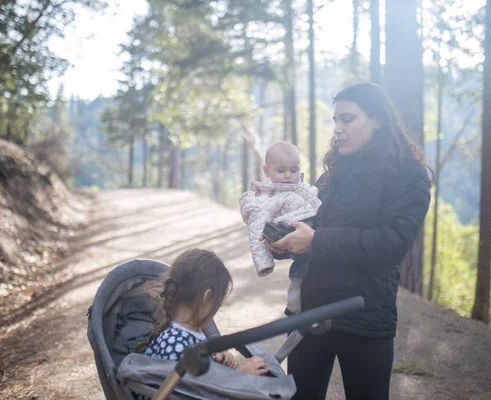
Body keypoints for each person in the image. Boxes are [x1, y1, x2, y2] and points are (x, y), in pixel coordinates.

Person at [268, 83, 432, 399]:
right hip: (311, 314)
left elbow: (392, 242)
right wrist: (282, 241)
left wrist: (316, 241)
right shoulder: (334, 170)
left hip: (365, 318)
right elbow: (309, 225)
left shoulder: (410, 176)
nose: (338, 129)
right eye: (335, 121)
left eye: (348, 119)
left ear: (378, 120)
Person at [139, 249, 267, 380]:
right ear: (208, 297)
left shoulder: (175, 335)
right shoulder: (177, 346)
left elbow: (199, 384)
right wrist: (241, 377)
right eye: (217, 305)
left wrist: (216, 367)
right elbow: (197, 395)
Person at [239, 141, 321, 314]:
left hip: (318, 240)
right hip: (293, 239)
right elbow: (256, 228)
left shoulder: (303, 188)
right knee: (298, 276)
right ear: (266, 171)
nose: (288, 176)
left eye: (294, 170)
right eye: (281, 170)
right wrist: (264, 261)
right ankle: (294, 308)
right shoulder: (267, 197)